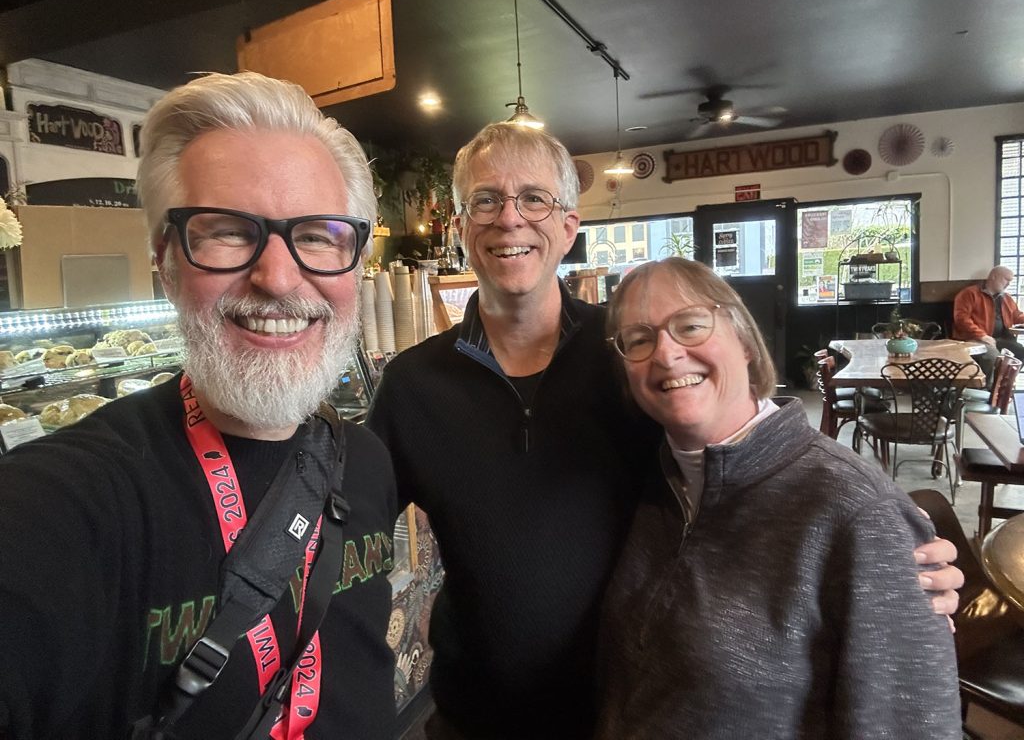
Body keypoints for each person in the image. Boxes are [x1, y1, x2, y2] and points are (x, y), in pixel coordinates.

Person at [366, 122, 964, 739]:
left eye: (534, 198)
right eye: (485, 200)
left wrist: (883, 566)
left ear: (569, 227)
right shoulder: (413, 386)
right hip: (479, 717)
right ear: (460, 227)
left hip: (624, 705)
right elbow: (351, 543)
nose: (509, 218)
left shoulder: (625, 357)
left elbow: (749, 473)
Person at [0, 73, 397, 739]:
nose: (277, 277)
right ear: (165, 260)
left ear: (354, 263)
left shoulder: (366, 464)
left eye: (319, 235)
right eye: (227, 232)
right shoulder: (67, 504)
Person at [595, 257, 961, 738]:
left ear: (744, 340)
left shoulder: (857, 512)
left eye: (690, 325)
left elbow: (911, 722)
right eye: (640, 340)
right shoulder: (652, 481)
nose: (666, 354)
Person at [953, 264, 1024, 380]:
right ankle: (989, 390)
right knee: (993, 357)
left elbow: (1017, 315)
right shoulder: (969, 294)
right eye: (1006, 279)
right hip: (974, 340)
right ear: (994, 277)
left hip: (1000, 339)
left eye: (1010, 281)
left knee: (1021, 352)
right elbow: (961, 319)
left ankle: (1003, 385)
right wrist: (982, 336)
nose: (1008, 284)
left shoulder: (1006, 298)